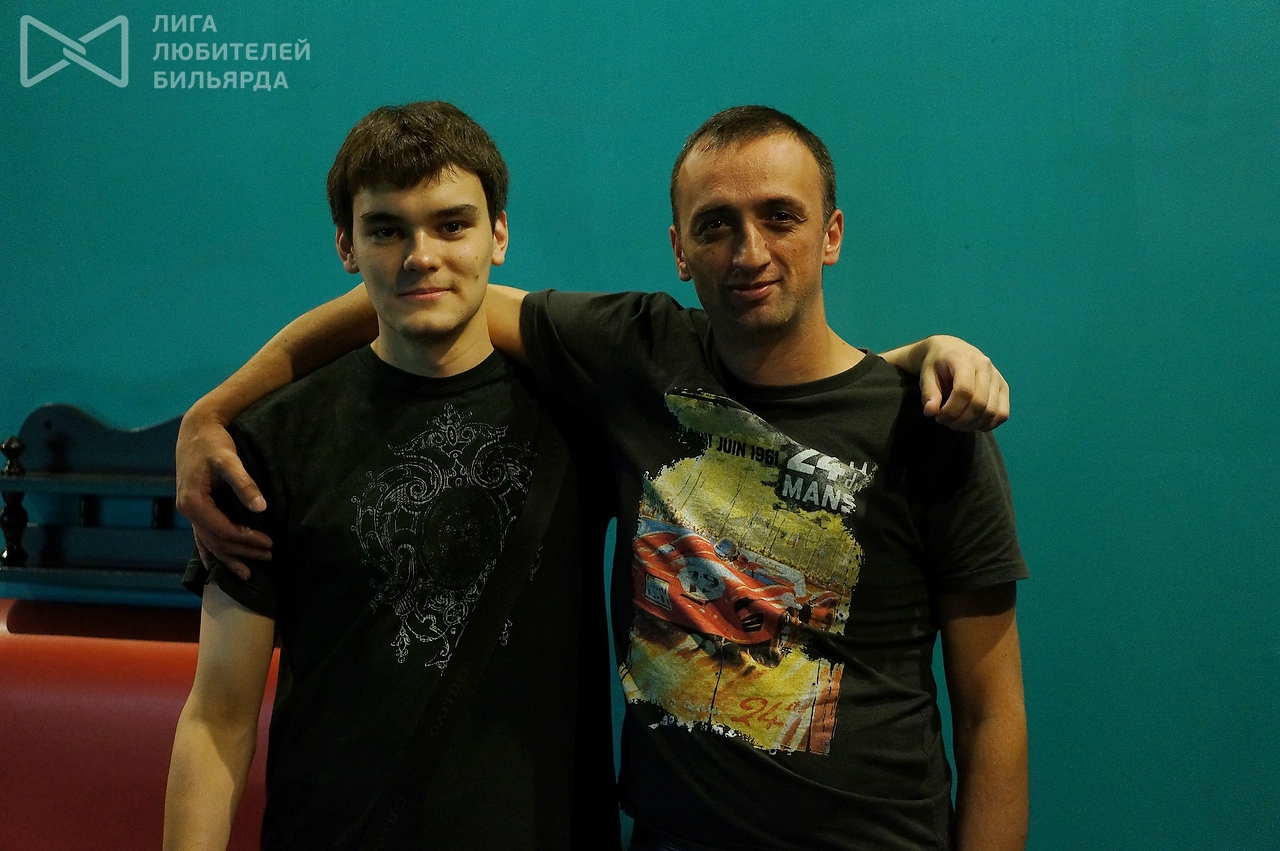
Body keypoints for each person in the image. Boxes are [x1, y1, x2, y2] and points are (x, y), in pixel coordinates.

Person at [176, 106, 1026, 850]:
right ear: (679, 249)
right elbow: (424, 292)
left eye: (780, 216)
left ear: (832, 233)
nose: (750, 250)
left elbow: (993, 716)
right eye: (716, 224)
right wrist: (214, 410)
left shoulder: (929, 427)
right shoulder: (638, 361)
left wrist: (924, 355)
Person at [163, 101, 618, 851]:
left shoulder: (586, 417)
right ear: (347, 246)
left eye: (452, 225)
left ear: (499, 234)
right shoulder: (267, 445)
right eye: (386, 230)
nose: (421, 256)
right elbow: (218, 717)